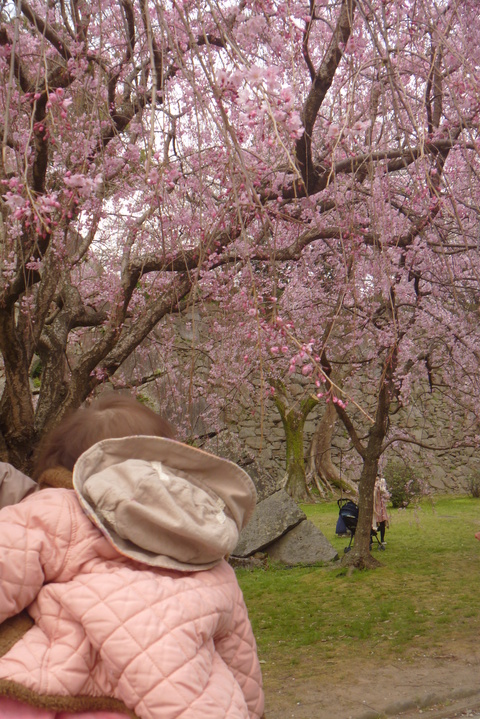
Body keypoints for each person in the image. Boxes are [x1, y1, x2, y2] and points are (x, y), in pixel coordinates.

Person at [0, 394, 264, 719]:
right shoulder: (206, 548)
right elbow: (239, 656)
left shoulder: (56, 509)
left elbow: (6, 564)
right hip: (196, 705)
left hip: (66, 691)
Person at [373, 475, 390, 546]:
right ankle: (371, 540)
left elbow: (386, 495)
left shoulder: (381, 483)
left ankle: (382, 539)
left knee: (382, 522)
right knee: (373, 522)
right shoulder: (370, 484)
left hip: (380, 505)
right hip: (374, 505)